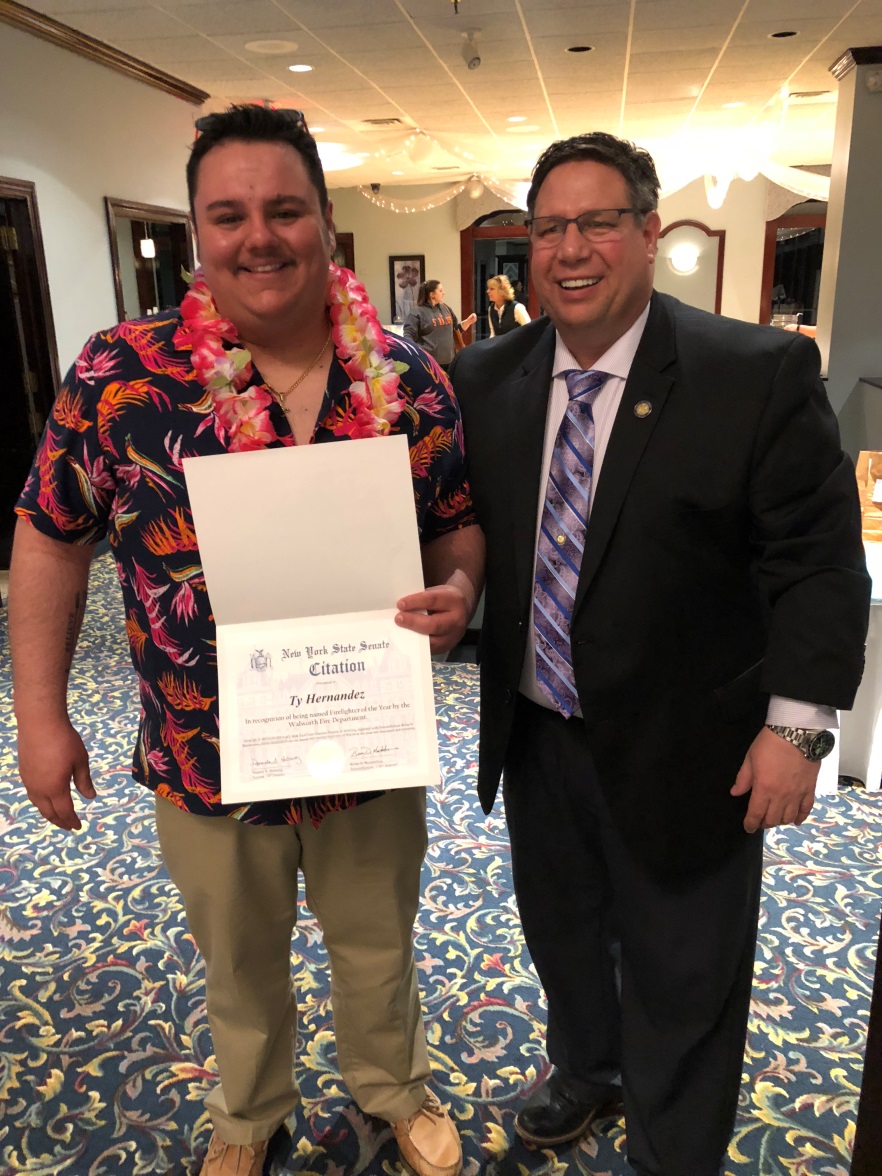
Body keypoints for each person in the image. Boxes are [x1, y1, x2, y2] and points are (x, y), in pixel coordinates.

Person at [10, 105, 484, 1176]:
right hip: (203, 745)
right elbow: (47, 538)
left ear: (324, 221)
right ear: (195, 231)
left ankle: (392, 1087)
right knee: (237, 953)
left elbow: (456, 521)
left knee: (377, 938)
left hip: (367, 735)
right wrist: (39, 716)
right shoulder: (118, 377)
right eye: (228, 215)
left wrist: (458, 588)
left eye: (284, 209)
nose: (258, 236)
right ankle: (251, 1110)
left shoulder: (406, 376)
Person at [449, 131, 869, 1176]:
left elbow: (816, 568)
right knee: (564, 933)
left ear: (646, 234)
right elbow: (462, 528)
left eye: (597, 222)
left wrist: (799, 730)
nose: (570, 249)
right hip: (541, 734)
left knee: (687, 966)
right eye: (549, 227)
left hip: (695, 745)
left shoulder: (756, 372)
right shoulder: (485, 376)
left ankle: (674, 1151)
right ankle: (587, 1070)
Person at [403, 280, 477, 372]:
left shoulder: (446, 308)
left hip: (450, 362)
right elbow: (408, 336)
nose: (444, 293)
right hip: (429, 364)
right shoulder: (416, 312)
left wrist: (468, 322)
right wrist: (417, 357)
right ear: (432, 294)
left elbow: (456, 329)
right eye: (441, 291)